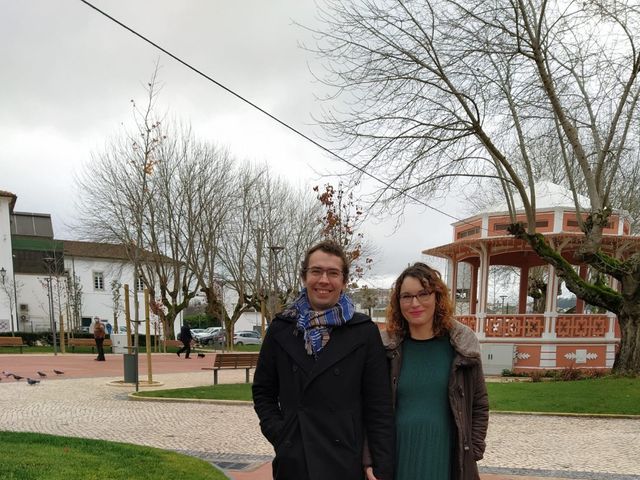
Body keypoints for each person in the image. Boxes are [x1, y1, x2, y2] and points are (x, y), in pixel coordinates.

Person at [252, 240, 394, 480]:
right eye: (316, 271)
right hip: (295, 458)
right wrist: (281, 433)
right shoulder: (281, 328)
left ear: (344, 281)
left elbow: (378, 406)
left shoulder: (363, 331)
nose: (324, 280)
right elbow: (263, 391)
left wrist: (381, 466)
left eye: (333, 273)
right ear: (304, 277)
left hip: (346, 460)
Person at [365, 262, 489, 480]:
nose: (415, 303)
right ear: (398, 302)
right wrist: (369, 460)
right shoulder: (385, 350)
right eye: (406, 296)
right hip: (396, 454)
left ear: (437, 297)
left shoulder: (462, 348)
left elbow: (479, 403)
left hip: (445, 455)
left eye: (423, 294)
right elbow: (368, 408)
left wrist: (474, 449)